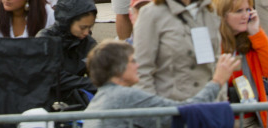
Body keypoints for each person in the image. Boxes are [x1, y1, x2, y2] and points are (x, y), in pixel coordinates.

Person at [135, 0, 221, 99]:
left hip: (208, 112)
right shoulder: (150, 15)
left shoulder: (210, 12)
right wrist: (156, 115)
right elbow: (142, 71)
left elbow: (216, 65)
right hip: (169, 115)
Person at [83, 40, 236, 128]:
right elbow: (184, 112)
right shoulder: (124, 95)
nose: (138, 65)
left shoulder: (100, 98)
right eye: (133, 61)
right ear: (118, 69)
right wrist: (217, 81)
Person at [215, 0, 268, 122]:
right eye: (238, 11)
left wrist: (256, 33)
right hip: (219, 119)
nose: (245, 15)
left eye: (248, 10)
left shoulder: (253, 40)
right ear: (223, 14)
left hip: (252, 119)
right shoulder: (211, 42)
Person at [36, 0, 97, 105]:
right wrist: (91, 83)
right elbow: (53, 78)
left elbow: (100, 76)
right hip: (46, 99)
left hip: (75, 98)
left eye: (90, 27)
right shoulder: (45, 39)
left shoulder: (88, 43)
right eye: (83, 27)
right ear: (67, 20)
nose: (86, 32)